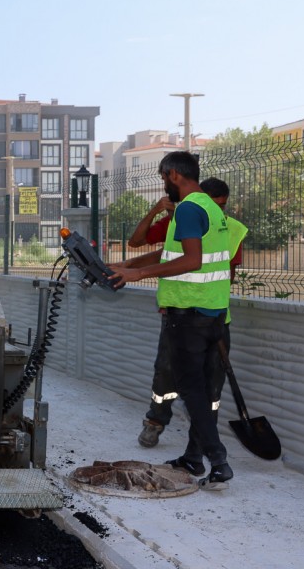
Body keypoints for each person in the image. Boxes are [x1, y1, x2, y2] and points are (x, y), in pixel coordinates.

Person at [109, 152, 234, 490]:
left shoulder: (190, 209)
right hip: (213, 313)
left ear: (174, 174)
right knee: (201, 390)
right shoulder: (210, 208)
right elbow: (172, 253)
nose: (164, 184)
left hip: (189, 315)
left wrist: (139, 274)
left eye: (164, 177)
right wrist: (128, 266)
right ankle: (193, 458)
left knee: (192, 391)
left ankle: (219, 462)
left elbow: (192, 261)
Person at [131, 178, 248, 449]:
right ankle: (155, 421)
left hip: (213, 318)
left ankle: (202, 439)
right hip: (178, 315)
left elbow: (226, 276)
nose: (217, 211)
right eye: (213, 204)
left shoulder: (232, 230)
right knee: (166, 371)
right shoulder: (181, 218)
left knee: (212, 382)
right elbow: (142, 245)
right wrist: (131, 266)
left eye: (222, 206)